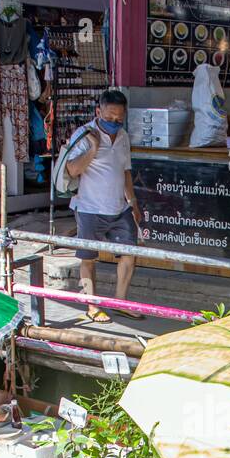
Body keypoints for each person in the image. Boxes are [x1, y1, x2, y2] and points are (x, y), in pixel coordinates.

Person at [65, 89, 143, 323]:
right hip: (89, 208)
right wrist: (93, 148)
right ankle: (91, 304)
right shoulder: (83, 134)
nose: (114, 123)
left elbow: (125, 171)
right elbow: (73, 170)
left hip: (119, 208)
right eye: (109, 118)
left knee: (130, 254)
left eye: (119, 119)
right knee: (88, 258)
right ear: (98, 111)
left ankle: (120, 301)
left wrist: (133, 202)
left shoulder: (123, 137)